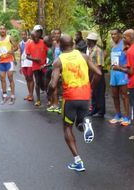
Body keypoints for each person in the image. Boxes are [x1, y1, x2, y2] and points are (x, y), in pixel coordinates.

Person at [48, 34, 102, 172]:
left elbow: (53, 84)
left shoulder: (58, 61)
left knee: (67, 127)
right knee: (79, 124)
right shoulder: (83, 56)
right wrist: (90, 87)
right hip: (85, 96)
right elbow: (99, 73)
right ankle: (85, 123)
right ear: (73, 43)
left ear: (59, 44)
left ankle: (78, 161)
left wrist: (49, 94)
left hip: (70, 97)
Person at [109, 29, 131, 126]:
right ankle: (118, 115)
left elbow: (130, 59)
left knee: (124, 95)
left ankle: (126, 117)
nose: (113, 36)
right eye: (112, 34)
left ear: (120, 35)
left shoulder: (125, 45)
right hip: (114, 73)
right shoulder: (113, 46)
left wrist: (123, 67)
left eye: (115, 34)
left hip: (122, 73)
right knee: (114, 95)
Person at [0, 25, 17, 105]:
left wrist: (12, 50)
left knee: (10, 77)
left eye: (3, 29)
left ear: (5, 30)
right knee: (2, 79)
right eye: (1, 29)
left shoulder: (9, 37)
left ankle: (13, 96)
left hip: (9, 60)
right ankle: (4, 96)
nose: (2, 30)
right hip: (2, 62)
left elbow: (16, 47)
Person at [26, 30, 48, 106]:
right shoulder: (29, 44)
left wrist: (47, 63)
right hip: (35, 67)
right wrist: (34, 59)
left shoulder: (43, 42)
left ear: (38, 35)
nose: (34, 38)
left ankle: (49, 98)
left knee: (45, 82)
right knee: (37, 82)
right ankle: (38, 99)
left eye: (35, 36)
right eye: (33, 37)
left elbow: (48, 53)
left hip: (44, 66)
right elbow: (27, 56)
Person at [86, 32, 106, 118]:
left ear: (92, 41)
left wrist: (95, 77)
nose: (87, 41)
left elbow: (99, 65)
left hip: (98, 74)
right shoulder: (90, 50)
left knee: (99, 93)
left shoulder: (98, 50)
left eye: (88, 40)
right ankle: (94, 110)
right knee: (93, 92)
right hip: (91, 73)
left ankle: (100, 111)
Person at [47, 28, 62, 113]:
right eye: (55, 33)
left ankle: (62, 106)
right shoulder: (53, 44)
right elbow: (53, 57)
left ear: (60, 34)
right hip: (55, 68)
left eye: (58, 33)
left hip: (62, 68)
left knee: (62, 87)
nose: (56, 35)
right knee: (54, 86)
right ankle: (55, 104)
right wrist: (48, 64)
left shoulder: (63, 44)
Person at [19, 31, 34, 101]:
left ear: (27, 35)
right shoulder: (21, 43)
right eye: (22, 34)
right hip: (23, 63)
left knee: (30, 78)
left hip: (30, 62)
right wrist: (20, 65)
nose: (23, 36)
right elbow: (20, 54)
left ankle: (31, 95)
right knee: (27, 78)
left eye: (25, 34)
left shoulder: (30, 42)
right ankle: (29, 94)